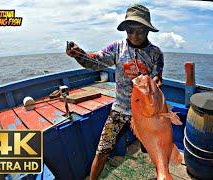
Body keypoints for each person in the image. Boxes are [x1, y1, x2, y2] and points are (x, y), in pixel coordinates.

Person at [66, 4, 163, 179]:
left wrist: (155, 84)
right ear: (125, 29)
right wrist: (78, 54)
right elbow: (95, 61)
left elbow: (158, 78)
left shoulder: (156, 53)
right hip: (119, 111)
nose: (134, 35)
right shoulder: (117, 48)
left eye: (140, 30)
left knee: (154, 150)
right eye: (130, 30)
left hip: (146, 114)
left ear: (148, 31)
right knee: (102, 150)